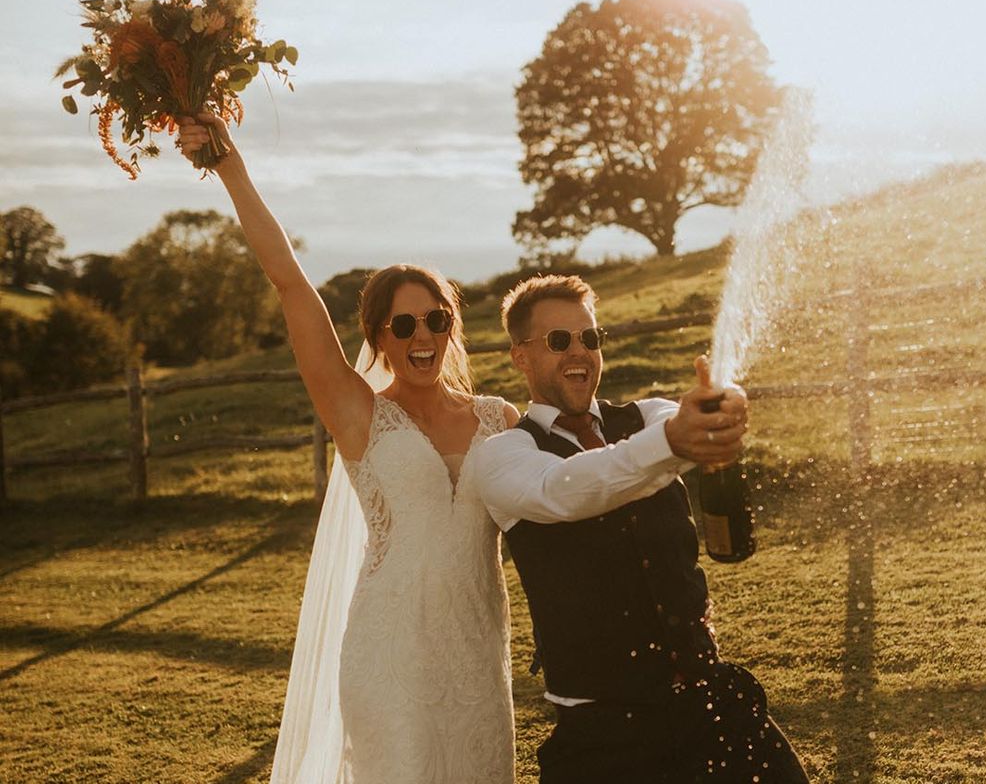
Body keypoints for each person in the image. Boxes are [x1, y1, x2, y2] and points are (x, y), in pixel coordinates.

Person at [175, 115, 517, 784]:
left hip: (478, 653)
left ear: (452, 327)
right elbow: (290, 284)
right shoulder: (358, 413)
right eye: (404, 324)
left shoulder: (499, 417)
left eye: (437, 319)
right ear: (380, 337)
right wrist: (230, 168)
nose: (423, 334)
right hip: (389, 656)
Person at [467, 273, 810, 784]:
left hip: (710, 704)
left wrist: (722, 405)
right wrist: (674, 440)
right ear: (521, 356)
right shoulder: (503, 456)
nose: (578, 351)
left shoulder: (649, 417)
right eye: (559, 341)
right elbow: (569, 488)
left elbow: (686, 421)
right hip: (603, 736)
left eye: (590, 338)